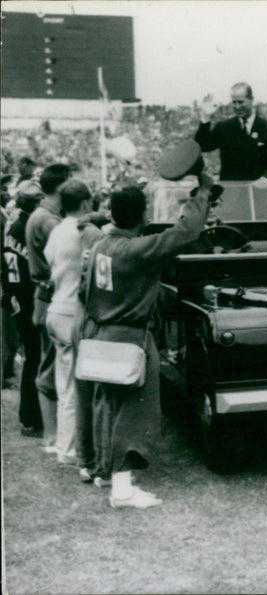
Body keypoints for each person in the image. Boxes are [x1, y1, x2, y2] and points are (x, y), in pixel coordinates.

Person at [81, 179, 213, 508]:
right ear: (141, 215)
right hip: (131, 337)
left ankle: (105, 471)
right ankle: (122, 489)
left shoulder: (100, 244)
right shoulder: (136, 250)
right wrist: (203, 195)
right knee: (136, 412)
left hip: (101, 332)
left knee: (107, 407)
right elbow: (186, 233)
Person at [44, 180, 104, 468]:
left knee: (64, 384)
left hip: (56, 309)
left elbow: (47, 263)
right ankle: (70, 450)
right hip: (72, 313)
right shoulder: (84, 232)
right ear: (84, 204)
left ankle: (64, 445)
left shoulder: (56, 229)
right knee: (76, 390)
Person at [25, 164, 72, 453]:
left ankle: (53, 435)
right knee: (50, 368)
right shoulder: (49, 221)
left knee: (50, 364)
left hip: (45, 297)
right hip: (51, 296)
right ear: (62, 187)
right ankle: (52, 437)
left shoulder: (44, 215)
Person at [2, 180, 44, 436]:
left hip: (15, 296)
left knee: (32, 357)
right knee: (34, 359)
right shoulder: (26, 227)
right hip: (27, 299)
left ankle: (30, 415)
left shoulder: (12, 225)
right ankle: (30, 416)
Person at [195, 82, 267, 181]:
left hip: (258, 190)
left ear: (251, 100)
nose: (237, 106)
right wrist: (206, 118)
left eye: (241, 102)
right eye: (234, 102)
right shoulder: (224, 127)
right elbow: (202, 146)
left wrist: (266, 178)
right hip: (231, 190)